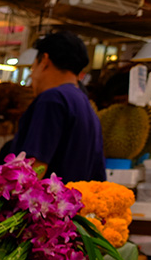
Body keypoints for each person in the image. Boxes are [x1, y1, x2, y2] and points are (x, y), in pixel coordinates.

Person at [10, 31, 106, 182]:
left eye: (33, 66)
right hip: (78, 196)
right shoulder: (85, 103)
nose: (32, 74)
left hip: (50, 197)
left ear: (44, 60)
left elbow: (35, 166)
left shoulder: (52, 99)